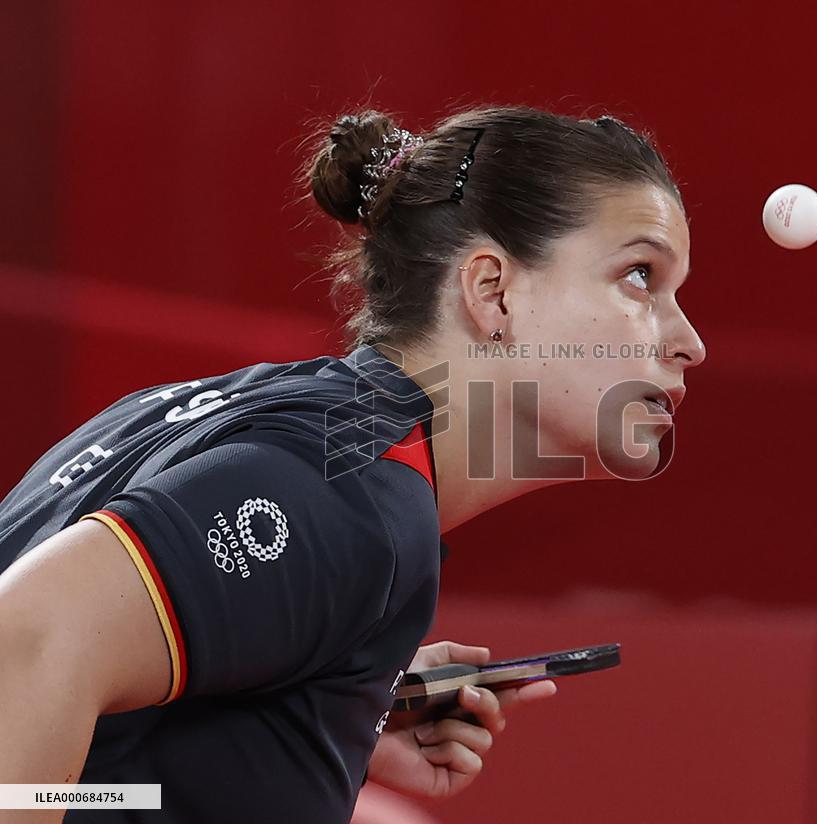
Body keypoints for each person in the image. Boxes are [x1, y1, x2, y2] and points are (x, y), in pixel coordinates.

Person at [0, 104, 705, 823]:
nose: (689, 342)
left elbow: (100, 788)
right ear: (493, 290)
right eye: (641, 276)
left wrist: (324, 706)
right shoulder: (352, 492)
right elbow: (24, 640)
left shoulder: (247, 420)